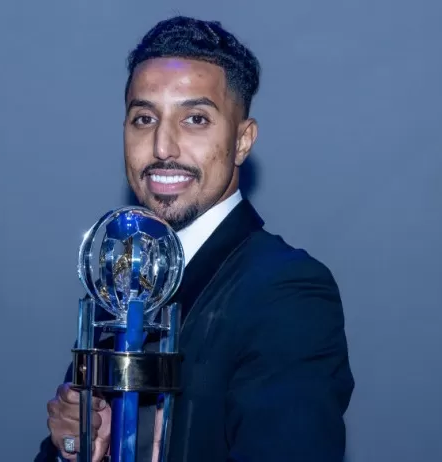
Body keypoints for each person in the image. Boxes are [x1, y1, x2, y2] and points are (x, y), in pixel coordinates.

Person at [36, 15, 354, 462]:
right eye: (144, 118)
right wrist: (77, 449)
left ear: (242, 141)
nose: (162, 146)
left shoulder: (287, 291)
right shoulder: (123, 284)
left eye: (195, 119)